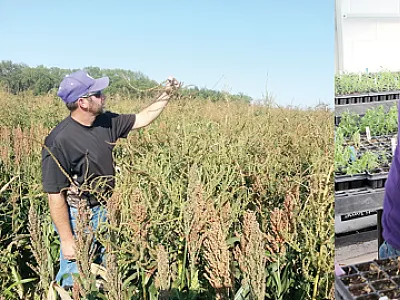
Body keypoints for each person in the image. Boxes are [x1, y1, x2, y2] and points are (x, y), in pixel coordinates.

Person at [41, 69, 181, 289]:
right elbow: (54, 195)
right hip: (79, 216)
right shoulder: (59, 140)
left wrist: (167, 93)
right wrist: (68, 239)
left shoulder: (105, 121)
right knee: (76, 282)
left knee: (106, 276)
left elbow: (142, 118)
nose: (103, 96)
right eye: (97, 94)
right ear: (83, 103)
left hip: (106, 210)